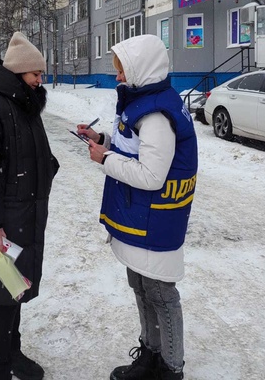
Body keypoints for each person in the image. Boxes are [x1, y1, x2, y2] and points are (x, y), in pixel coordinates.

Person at [77, 34, 198, 380]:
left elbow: (151, 175)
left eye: (121, 70)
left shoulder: (157, 116)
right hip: (139, 217)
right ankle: (150, 354)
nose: (116, 76)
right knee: (142, 287)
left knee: (160, 292)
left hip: (154, 220)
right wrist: (102, 141)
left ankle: (171, 368)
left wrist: (105, 159)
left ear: (141, 71)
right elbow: (134, 150)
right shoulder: (145, 104)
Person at [0, 32, 59, 380]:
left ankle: (13, 354)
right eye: (36, 74)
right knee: (5, 297)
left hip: (23, 216)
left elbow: (26, 155)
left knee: (15, 291)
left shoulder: (23, 106)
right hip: (1, 224)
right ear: (19, 72)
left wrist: (47, 166)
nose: (40, 80)